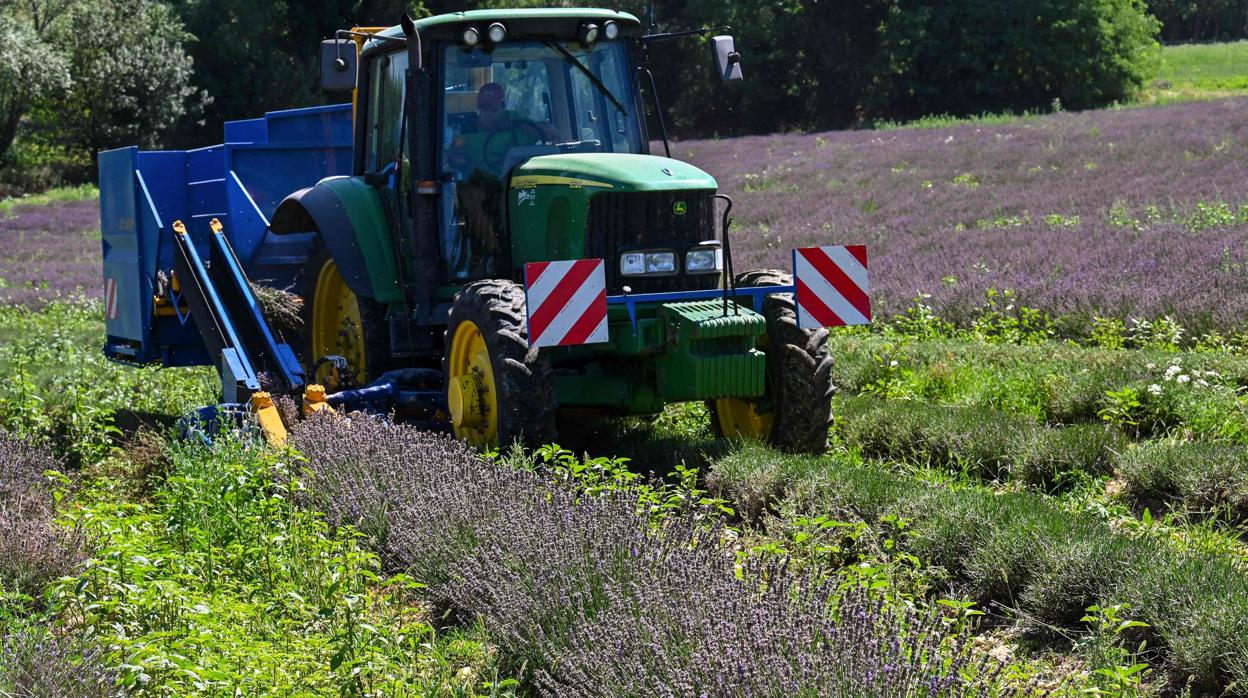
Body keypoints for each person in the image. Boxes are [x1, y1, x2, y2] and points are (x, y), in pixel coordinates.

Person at [449, 83, 558, 275]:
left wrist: (518, 125)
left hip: (515, 183)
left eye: (492, 109)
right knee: (468, 194)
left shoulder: (515, 121)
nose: (488, 114)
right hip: (480, 183)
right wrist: (457, 157)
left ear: (502, 107)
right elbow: (452, 155)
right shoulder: (468, 131)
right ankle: (493, 250)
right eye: (483, 109)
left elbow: (551, 133)